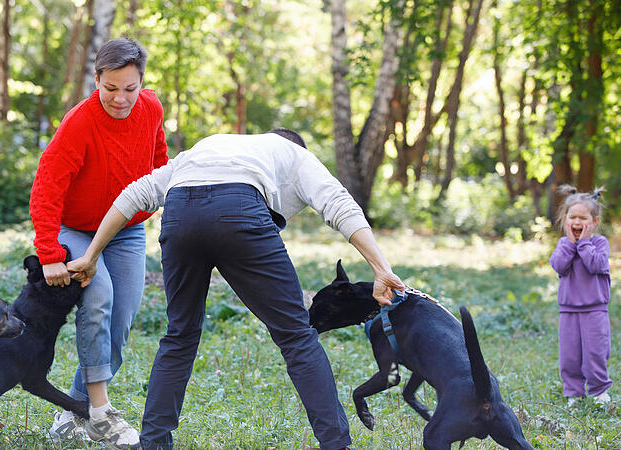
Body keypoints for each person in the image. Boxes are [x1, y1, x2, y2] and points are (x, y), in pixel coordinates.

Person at [66, 130, 405, 450]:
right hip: (239, 209)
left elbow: (133, 195)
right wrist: (381, 268)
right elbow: (339, 204)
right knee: (296, 336)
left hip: (180, 211)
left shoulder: (210, 146)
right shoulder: (295, 153)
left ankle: (154, 443)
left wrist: (91, 254)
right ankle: (336, 444)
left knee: (180, 335)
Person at [29, 37, 168, 448]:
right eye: (110, 88)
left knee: (121, 321)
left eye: (130, 89)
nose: (120, 99)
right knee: (99, 295)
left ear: (142, 82)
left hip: (125, 230)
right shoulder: (80, 122)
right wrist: (50, 254)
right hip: (76, 228)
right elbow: (48, 185)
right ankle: (102, 414)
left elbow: (159, 160)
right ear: (96, 79)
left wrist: (159, 204)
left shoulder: (151, 108)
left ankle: (75, 412)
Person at [549, 184, 612, 407]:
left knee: (595, 353)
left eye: (583, 218)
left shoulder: (600, 243)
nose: (577, 222)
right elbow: (559, 265)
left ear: (594, 221)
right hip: (568, 311)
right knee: (570, 356)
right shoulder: (563, 244)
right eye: (572, 217)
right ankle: (574, 393)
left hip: (595, 310)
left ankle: (599, 391)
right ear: (565, 219)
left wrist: (584, 243)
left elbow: (595, 264)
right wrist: (570, 244)